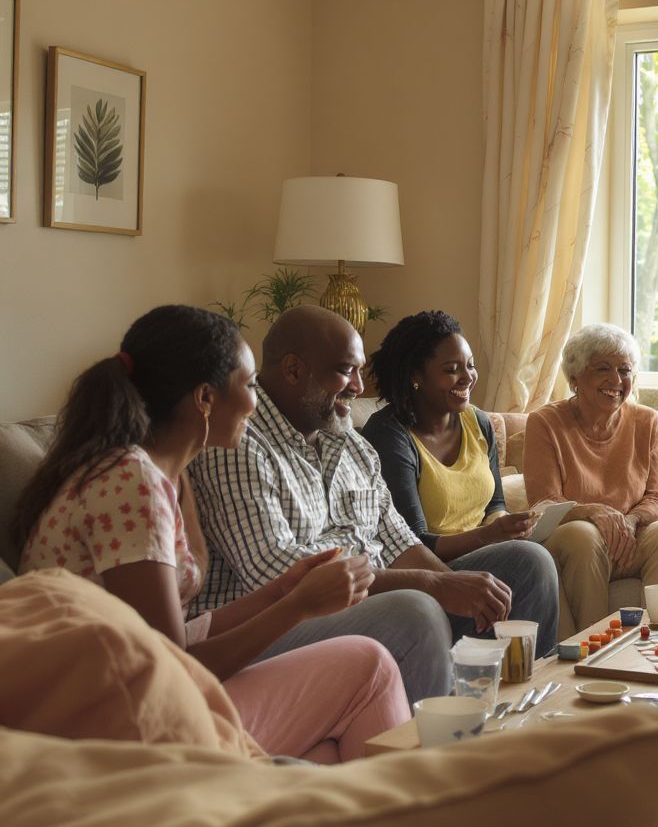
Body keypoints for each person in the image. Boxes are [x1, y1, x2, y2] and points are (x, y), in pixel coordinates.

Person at [16, 306, 409, 763]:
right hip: (111, 724)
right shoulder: (130, 480)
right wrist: (299, 605)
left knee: (323, 754)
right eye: (247, 385)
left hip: (134, 696)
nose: (255, 401)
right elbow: (168, 667)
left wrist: (286, 588)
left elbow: (170, 637)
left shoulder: (157, 475)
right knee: (370, 667)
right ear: (205, 399)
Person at [189, 306, 558, 703]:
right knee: (416, 609)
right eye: (346, 370)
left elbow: (399, 540)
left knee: (527, 563)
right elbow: (280, 577)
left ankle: (516, 717)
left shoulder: (349, 441)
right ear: (294, 370)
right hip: (276, 622)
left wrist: (450, 585)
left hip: (377, 595)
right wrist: (432, 586)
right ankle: (437, 746)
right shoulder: (237, 441)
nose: (358, 387)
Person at [524, 324, 658, 640]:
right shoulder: (545, 422)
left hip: (630, 540)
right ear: (575, 378)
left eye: (624, 370)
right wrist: (594, 513)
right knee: (583, 535)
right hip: (575, 542)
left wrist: (629, 522)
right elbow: (544, 503)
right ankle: (592, 649)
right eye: (603, 369)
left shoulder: (646, 421)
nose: (616, 380)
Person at [361, 311, 538, 560]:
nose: (468, 377)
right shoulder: (389, 437)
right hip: (432, 566)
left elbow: (495, 503)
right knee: (531, 559)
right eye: (452, 369)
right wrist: (488, 536)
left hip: (486, 550)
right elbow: (411, 544)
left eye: (470, 365)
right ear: (416, 376)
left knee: (540, 551)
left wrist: (505, 527)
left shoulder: (477, 422)